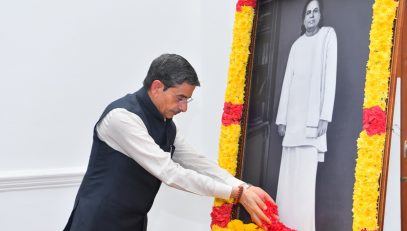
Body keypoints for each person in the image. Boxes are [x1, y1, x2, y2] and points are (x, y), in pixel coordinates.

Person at [64, 53, 274, 231]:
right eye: (180, 98)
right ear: (157, 87)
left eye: (187, 100)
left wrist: (242, 186)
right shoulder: (122, 118)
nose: (184, 108)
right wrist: (235, 194)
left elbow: (196, 162)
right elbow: (170, 172)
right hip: (98, 221)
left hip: (134, 220)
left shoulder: (166, 123)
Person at [275, 0, 337, 230]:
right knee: (288, 181)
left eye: (315, 11)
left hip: (312, 124)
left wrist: (324, 117)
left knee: (304, 184)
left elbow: (330, 76)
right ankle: (282, 224)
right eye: (308, 12)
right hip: (292, 123)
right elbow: (287, 83)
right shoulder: (297, 45)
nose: (311, 16)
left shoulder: (328, 36)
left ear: (320, 16)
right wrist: (282, 119)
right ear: (303, 17)